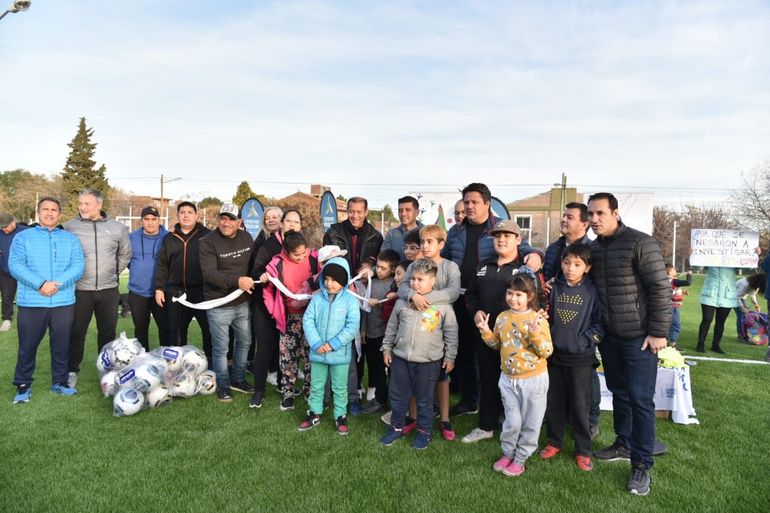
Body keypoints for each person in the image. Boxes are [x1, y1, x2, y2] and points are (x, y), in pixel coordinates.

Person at [587, 192, 670, 496]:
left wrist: (658, 331)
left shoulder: (640, 242)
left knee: (640, 400)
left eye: (600, 214)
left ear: (615, 213)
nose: (594, 220)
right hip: (609, 338)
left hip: (640, 338)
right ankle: (623, 443)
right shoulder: (593, 249)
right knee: (620, 394)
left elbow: (660, 288)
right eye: (591, 214)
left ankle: (641, 464)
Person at [442, 183, 541, 419]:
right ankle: (469, 400)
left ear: (488, 203)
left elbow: (523, 247)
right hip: (462, 299)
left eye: (475, 202)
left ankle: (501, 408)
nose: (469, 206)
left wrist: (536, 254)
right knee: (464, 352)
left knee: (494, 355)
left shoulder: (498, 229)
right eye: (466, 202)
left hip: (493, 302)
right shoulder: (456, 231)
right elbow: (444, 257)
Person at [464, 219, 547, 444]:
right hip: (488, 335)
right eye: (497, 236)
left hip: (518, 342)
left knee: (518, 384)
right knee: (489, 380)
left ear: (518, 240)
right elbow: (470, 294)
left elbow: (538, 300)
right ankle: (486, 426)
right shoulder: (482, 266)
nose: (501, 240)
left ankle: (518, 428)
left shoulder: (524, 270)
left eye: (507, 236)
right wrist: (476, 311)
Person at [9, 197, 85, 403]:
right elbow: (15, 265)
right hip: (32, 302)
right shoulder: (23, 238)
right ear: (38, 212)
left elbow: (78, 266)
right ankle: (23, 385)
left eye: (54, 210)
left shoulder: (69, 239)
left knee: (61, 344)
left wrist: (57, 283)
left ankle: (60, 382)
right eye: (45, 209)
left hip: (62, 302)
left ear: (59, 214)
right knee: (28, 345)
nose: (49, 213)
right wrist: (41, 284)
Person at [476, 274, 552, 477]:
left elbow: (546, 351)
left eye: (519, 294)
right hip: (508, 380)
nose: (513, 298)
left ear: (530, 296)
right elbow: (496, 344)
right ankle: (508, 453)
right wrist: (485, 331)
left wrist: (534, 334)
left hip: (533, 380)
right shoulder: (502, 317)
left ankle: (520, 459)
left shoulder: (537, 319)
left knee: (530, 423)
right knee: (512, 422)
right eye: (510, 293)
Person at [381, 259, 458, 450]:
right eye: (413, 279)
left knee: (425, 399)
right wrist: (387, 348)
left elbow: (451, 333)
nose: (415, 283)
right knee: (398, 396)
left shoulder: (443, 307)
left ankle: (425, 432)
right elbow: (391, 327)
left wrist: (450, 357)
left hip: (428, 362)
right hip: (400, 359)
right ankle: (396, 427)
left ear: (433, 281)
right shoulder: (402, 303)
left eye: (420, 279)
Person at [540, 244, 603, 471]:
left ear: (587, 267)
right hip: (554, 357)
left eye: (577, 265)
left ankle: (583, 449)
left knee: (579, 405)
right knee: (554, 402)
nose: (570, 269)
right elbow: (543, 315)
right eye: (566, 263)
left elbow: (599, 324)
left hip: (580, 359)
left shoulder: (593, 291)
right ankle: (554, 441)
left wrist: (583, 342)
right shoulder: (553, 287)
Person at [542, 201, 601, 438]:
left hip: (582, 324)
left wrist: (586, 337)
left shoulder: (593, 249)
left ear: (585, 224)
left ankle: (590, 419)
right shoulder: (555, 247)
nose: (564, 220)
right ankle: (556, 418)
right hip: (557, 322)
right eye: (563, 216)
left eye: (570, 217)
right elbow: (547, 274)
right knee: (555, 375)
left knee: (588, 376)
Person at [397, 224, 461, 440]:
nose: (424, 246)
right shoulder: (413, 266)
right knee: (415, 372)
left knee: (442, 376)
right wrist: (412, 296)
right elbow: (402, 288)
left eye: (429, 242)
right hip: (415, 328)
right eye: (422, 242)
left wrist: (425, 299)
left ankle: (444, 419)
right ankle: (413, 417)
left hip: (438, 327)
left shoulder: (450, 267)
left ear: (441, 244)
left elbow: (453, 292)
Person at [64, 189, 131, 388]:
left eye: (87, 204)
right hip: (79, 289)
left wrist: (111, 273)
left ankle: (107, 371)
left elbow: (125, 254)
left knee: (107, 333)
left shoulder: (117, 227)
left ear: (99, 205)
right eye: (80, 203)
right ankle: (72, 370)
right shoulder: (69, 227)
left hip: (109, 290)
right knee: (77, 331)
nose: (82, 207)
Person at [199, 203, 256, 403]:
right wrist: (237, 281)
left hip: (242, 302)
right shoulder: (207, 242)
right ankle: (223, 385)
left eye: (231, 219)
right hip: (218, 304)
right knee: (221, 347)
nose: (226, 222)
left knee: (245, 342)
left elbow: (253, 266)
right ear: (218, 219)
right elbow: (209, 274)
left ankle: (238, 379)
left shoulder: (247, 238)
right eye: (223, 218)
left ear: (239, 221)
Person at [299, 256, 360, 435]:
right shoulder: (317, 299)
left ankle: (340, 415)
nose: (329, 283)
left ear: (344, 280)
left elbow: (352, 326)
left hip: (339, 355)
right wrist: (317, 342)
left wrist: (332, 344)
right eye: (326, 279)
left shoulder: (350, 301)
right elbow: (308, 320)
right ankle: (314, 413)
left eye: (334, 280)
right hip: (318, 352)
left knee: (340, 387)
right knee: (316, 385)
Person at [250, 208, 301, 408]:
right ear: (281, 223)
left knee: (286, 349)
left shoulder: (301, 246)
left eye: (296, 222)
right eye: (289, 221)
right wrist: (263, 275)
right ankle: (259, 391)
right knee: (264, 347)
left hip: (290, 307)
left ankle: (283, 383)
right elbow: (256, 270)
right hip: (266, 305)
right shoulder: (268, 244)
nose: (292, 225)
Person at [261, 230, 318, 411]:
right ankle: (287, 394)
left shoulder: (314, 259)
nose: (301, 257)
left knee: (312, 357)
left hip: (312, 317)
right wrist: (274, 310)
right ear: (286, 251)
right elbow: (268, 290)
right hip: (289, 318)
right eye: (296, 254)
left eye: (304, 253)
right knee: (287, 357)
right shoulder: (276, 264)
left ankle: (311, 393)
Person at [154, 201, 212, 356]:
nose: (186, 215)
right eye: (182, 212)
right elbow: (162, 264)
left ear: (196, 215)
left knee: (210, 331)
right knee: (177, 335)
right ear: (178, 215)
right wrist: (159, 288)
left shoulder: (208, 235)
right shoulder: (169, 238)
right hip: (176, 293)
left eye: (189, 212)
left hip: (202, 292)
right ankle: (178, 368)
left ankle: (212, 367)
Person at [361, 249, 400, 414]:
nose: (378, 270)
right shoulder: (372, 282)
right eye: (378, 266)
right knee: (375, 367)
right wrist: (363, 329)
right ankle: (380, 399)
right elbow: (364, 307)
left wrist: (387, 301)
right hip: (370, 332)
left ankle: (394, 400)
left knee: (391, 368)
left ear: (392, 269)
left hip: (386, 335)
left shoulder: (395, 285)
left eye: (383, 268)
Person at [127, 206, 169, 351]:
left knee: (165, 329)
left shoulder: (167, 238)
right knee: (140, 330)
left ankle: (168, 362)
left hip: (161, 292)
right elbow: (127, 260)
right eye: (147, 219)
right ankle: (143, 363)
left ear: (159, 220)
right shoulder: (132, 238)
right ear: (141, 221)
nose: (150, 223)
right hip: (138, 293)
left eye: (153, 219)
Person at [696, 267, 740, 354]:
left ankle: (715, 345)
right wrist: (693, 254)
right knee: (707, 319)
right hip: (710, 293)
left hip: (727, 294)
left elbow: (748, 265)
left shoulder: (733, 255)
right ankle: (700, 344)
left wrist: (754, 254)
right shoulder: (711, 255)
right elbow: (697, 266)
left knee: (721, 321)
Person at [0, 212, 29, 332]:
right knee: (6, 296)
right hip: (6, 272)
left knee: (28, 297)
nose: (3, 229)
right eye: (1, 227)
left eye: (5, 226)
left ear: (13, 222)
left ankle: (30, 319)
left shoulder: (26, 232)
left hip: (25, 272)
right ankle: (7, 319)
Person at [381, 196, 423, 260]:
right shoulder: (391, 235)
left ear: (417, 212)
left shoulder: (426, 233)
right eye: (400, 210)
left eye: (408, 210)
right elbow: (384, 259)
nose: (403, 214)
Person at [666, 264, 692, 347]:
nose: (675, 270)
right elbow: (688, 282)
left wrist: (682, 293)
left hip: (667, 306)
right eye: (673, 269)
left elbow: (671, 293)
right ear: (669, 271)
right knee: (676, 325)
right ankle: (672, 344)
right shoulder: (674, 281)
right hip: (673, 307)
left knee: (668, 324)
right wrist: (689, 274)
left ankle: (666, 342)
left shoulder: (666, 280)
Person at [735, 272, 765, 342]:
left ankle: (744, 334)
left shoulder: (756, 285)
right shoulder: (744, 284)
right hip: (733, 297)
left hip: (741, 298)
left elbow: (752, 294)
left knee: (746, 315)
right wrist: (743, 308)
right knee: (742, 315)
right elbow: (736, 297)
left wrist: (756, 304)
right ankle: (740, 336)